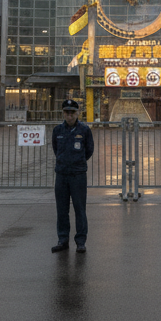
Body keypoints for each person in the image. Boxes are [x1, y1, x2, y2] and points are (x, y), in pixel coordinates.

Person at [51, 98, 93, 253]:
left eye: (72, 113)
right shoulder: (57, 131)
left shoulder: (84, 130)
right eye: (67, 113)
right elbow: (56, 149)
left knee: (79, 209)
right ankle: (63, 240)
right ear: (63, 113)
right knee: (62, 209)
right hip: (61, 174)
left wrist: (77, 162)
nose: (69, 116)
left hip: (78, 175)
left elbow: (89, 150)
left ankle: (80, 241)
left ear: (77, 113)